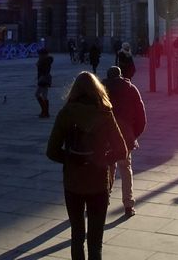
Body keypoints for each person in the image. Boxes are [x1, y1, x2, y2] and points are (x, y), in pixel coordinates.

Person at [46, 71, 128, 260]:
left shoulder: (66, 113)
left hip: (73, 183)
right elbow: (121, 150)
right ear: (97, 90)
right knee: (95, 241)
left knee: (77, 236)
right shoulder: (105, 113)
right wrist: (101, 160)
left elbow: (51, 151)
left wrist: (72, 160)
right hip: (98, 182)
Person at [103, 66, 147, 217]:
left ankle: (104, 199)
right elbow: (141, 115)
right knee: (125, 168)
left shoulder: (101, 90)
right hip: (125, 135)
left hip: (107, 135)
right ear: (121, 76)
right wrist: (134, 134)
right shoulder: (131, 89)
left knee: (108, 167)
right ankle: (128, 205)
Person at [36, 46, 54, 118]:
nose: (39, 55)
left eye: (40, 54)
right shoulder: (44, 60)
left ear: (43, 54)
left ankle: (45, 112)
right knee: (42, 95)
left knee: (40, 95)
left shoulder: (44, 61)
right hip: (44, 78)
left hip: (44, 79)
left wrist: (39, 64)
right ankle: (44, 112)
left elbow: (45, 71)